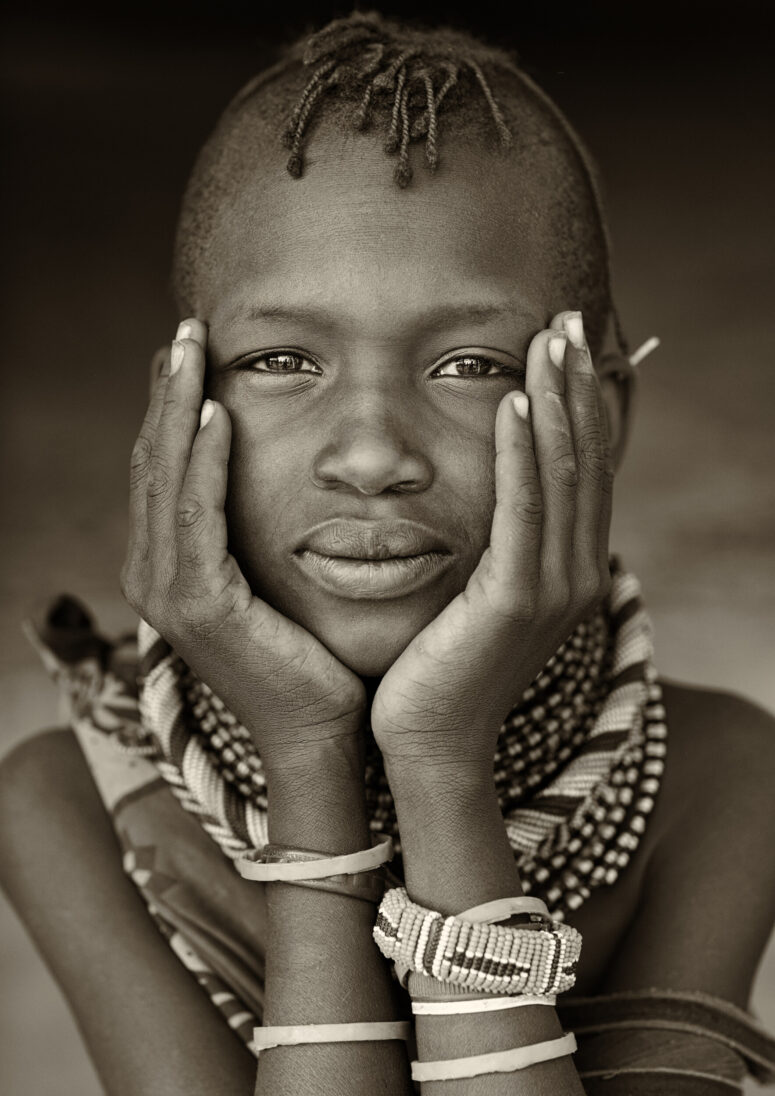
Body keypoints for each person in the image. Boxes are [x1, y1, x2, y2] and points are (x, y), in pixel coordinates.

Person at [2, 11, 774, 1095]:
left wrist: (441, 755)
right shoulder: (76, 800)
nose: (370, 455)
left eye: (468, 365)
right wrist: (304, 753)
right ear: (176, 415)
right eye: (281, 359)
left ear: (595, 419)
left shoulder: (715, 778)